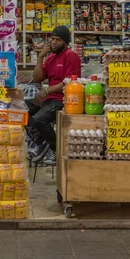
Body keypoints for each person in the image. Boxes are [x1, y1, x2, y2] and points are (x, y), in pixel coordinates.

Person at [26, 25, 81, 165]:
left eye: (58, 39)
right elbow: (38, 78)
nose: (54, 42)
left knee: (38, 119)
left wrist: (47, 91)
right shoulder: (50, 58)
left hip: (63, 99)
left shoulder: (71, 56)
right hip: (49, 99)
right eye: (53, 39)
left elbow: (69, 82)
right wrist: (40, 57)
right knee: (21, 109)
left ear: (65, 42)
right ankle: (43, 142)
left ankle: (56, 149)